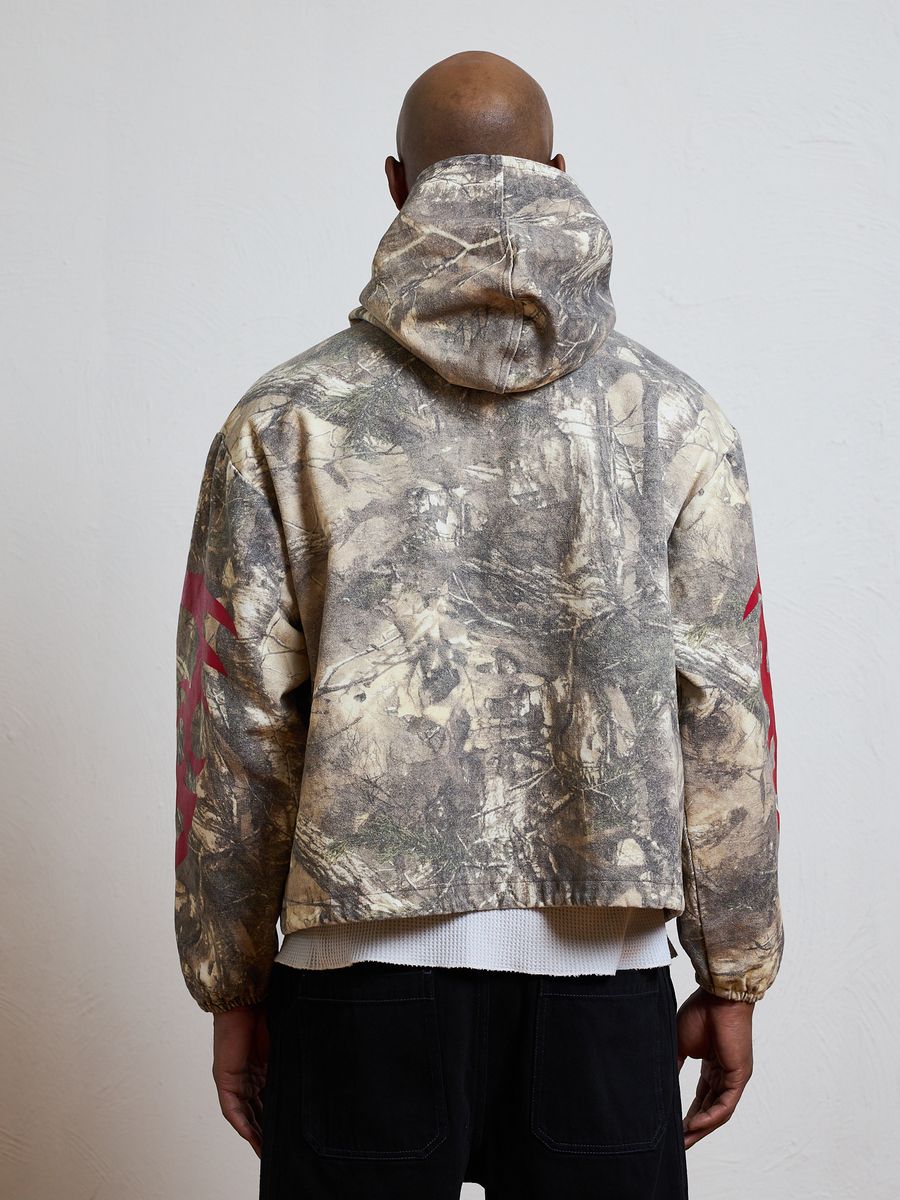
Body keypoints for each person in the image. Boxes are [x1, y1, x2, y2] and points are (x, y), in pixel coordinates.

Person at [173, 49, 782, 1200]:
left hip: (356, 989)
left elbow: (235, 727)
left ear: (396, 184)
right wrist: (734, 969)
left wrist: (232, 983)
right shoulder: (675, 419)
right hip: (602, 988)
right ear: (559, 171)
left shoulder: (285, 420)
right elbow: (725, 719)